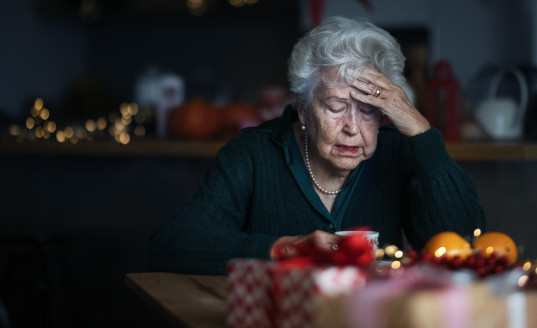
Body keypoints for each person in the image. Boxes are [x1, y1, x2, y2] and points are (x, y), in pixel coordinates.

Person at [148, 17, 486, 275]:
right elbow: (171, 246)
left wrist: (421, 131)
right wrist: (283, 248)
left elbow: (464, 246)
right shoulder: (252, 153)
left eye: (368, 109)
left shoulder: (399, 151)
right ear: (303, 107)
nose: (353, 127)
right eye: (336, 106)